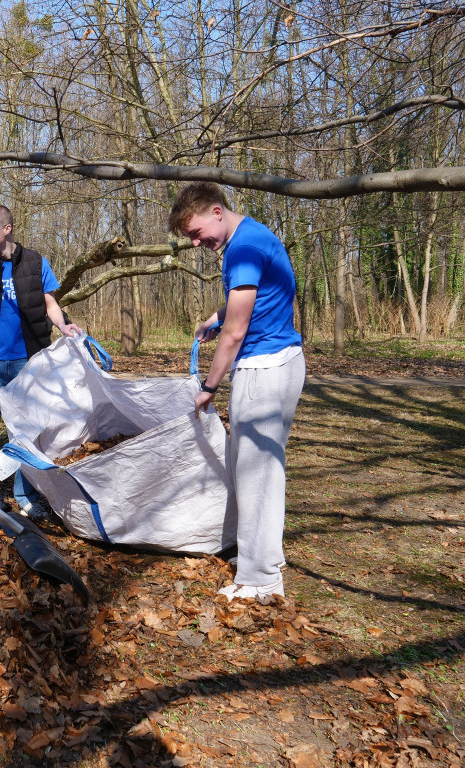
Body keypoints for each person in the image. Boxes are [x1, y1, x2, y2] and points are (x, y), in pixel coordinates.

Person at [168, 181, 305, 604]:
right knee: (265, 471)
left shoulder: (242, 249)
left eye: (196, 233)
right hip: (280, 362)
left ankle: (261, 579)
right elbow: (254, 298)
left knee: (255, 475)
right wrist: (217, 315)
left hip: (263, 369)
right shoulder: (255, 236)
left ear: (216, 211)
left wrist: (209, 387)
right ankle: (266, 562)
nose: (196, 243)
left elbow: (236, 332)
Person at [0, 205, 82, 517]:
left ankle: (26, 495)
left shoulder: (35, 262)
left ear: (6, 229)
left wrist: (63, 325)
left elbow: (49, 302)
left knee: (28, 433)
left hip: (30, 364)